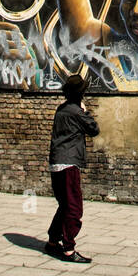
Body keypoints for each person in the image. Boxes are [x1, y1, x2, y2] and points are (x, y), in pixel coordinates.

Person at [47, 75, 100, 263]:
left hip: (56, 161)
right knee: (74, 207)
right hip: (69, 163)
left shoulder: (60, 110)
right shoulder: (77, 112)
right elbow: (94, 129)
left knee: (64, 204)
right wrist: (85, 111)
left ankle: (53, 240)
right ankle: (68, 248)